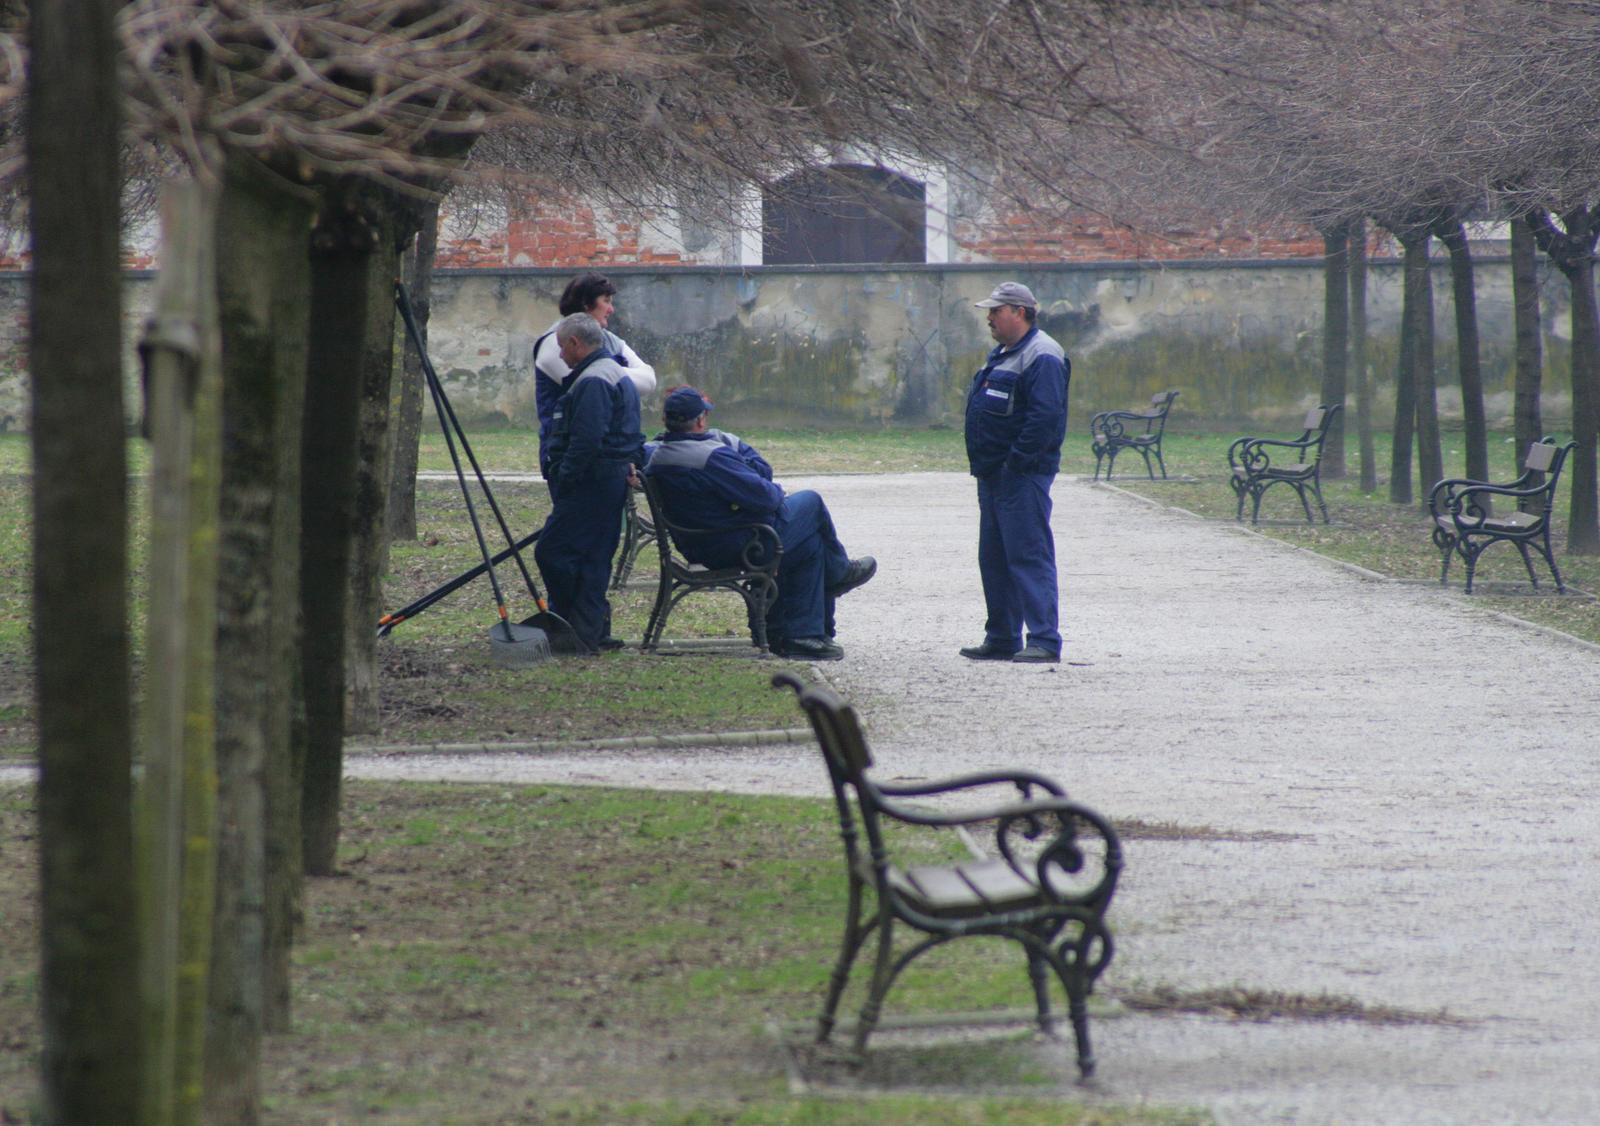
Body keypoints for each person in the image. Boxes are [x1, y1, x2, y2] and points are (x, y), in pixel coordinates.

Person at [642, 386, 876, 661]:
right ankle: (838, 574)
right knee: (811, 501)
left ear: (665, 420)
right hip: (739, 543)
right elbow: (766, 498)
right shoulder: (709, 456)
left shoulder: (660, 455)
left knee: (810, 546)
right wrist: (776, 490)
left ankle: (800, 636)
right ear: (702, 420)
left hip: (706, 543)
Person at [960, 281, 1070, 664]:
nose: (989, 317)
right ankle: (1003, 637)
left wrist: (1016, 463)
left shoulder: (1043, 355)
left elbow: (1045, 418)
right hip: (994, 476)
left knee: (1028, 555)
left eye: (996, 310)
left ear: (1019, 312)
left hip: (1021, 476)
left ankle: (1043, 639)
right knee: (994, 557)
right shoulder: (1004, 353)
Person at [533, 313, 646, 653]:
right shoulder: (611, 372)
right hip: (607, 478)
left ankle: (571, 624)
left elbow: (587, 439)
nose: (561, 356)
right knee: (593, 558)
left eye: (562, 348)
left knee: (551, 551)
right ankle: (588, 632)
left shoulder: (594, 380)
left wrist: (565, 476)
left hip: (590, 481)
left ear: (575, 344)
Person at [533, 273, 656, 479]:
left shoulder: (610, 339)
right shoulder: (557, 342)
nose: (611, 309)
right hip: (569, 456)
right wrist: (617, 372)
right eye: (606, 301)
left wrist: (606, 370)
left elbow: (649, 380)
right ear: (585, 303)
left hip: (609, 455)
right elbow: (593, 385)